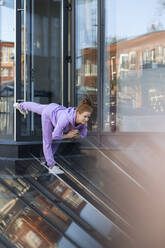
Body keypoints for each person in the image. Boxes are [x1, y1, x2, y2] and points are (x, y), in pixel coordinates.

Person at [13, 98, 93, 175]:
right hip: (48, 114)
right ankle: (51, 166)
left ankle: (20, 106)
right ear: (78, 113)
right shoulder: (65, 119)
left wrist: (77, 135)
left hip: (55, 109)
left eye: (88, 117)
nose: (87, 119)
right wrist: (68, 136)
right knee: (47, 141)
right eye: (85, 116)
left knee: (37, 107)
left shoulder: (83, 123)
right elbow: (54, 136)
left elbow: (83, 135)